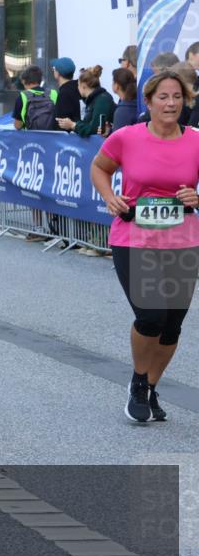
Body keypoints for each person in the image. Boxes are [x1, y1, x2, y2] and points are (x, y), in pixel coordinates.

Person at [89, 70, 199, 423]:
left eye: (177, 97)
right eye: (163, 97)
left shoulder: (196, 140)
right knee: (151, 315)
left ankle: (151, 386)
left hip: (183, 240)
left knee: (173, 324)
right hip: (134, 237)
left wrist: (197, 197)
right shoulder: (127, 137)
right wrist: (110, 197)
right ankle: (138, 382)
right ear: (149, 102)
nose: (171, 103)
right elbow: (99, 168)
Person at [56, 66, 115, 137]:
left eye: (78, 85)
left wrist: (73, 125)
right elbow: (88, 124)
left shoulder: (102, 100)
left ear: (83, 86)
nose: (77, 88)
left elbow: (94, 129)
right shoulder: (94, 100)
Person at [12, 65, 57, 130]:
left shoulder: (23, 96)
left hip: (31, 135)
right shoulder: (53, 93)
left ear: (24, 81)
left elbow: (17, 126)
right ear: (40, 80)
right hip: (51, 134)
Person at [49, 57, 81, 126]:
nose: (53, 71)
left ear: (58, 73)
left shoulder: (64, 94)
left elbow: (60, 123)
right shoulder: (78, 88)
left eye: (54, 69)